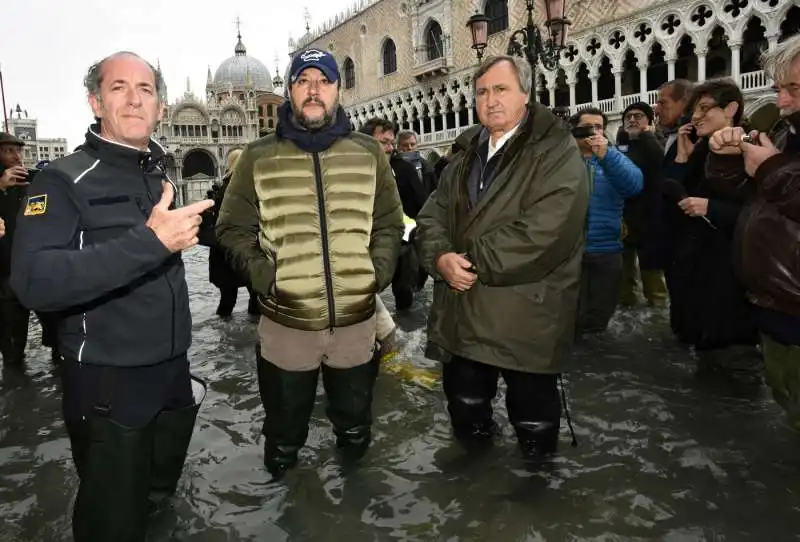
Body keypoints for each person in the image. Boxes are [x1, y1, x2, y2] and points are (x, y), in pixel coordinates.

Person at [9, 51, 212, 542]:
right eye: (119, 87)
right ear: (95, 101)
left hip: (172, 373)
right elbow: (33, 280)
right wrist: (151, 242)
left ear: (161, 107)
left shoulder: (156, 172)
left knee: (160, 499)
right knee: (112, 519)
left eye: (145, 90)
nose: (134, 99)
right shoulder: (62, 180)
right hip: (107, 382)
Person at [216, 48, 403, 479]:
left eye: (324, 80)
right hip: (286, 326)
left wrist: (375, 274)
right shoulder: (258, 156)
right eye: (304, 81)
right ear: (290, 91)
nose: (314, 89)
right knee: (283, 436)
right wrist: (267, 278)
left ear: (338, 89)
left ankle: (354, 511)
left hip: (357, 322)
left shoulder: (369, 153)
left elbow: (390, 224)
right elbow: (231, 228)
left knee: (356, 429)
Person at [416, 55, 589, 461]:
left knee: (533, 420)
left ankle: (534, 502)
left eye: (501, 89)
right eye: (482, 92)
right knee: (465, 406)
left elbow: (548, 231)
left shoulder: (556, 151)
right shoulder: (462, 157)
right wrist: (439, 256)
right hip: (462, 313)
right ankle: (475, 492)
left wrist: (467, 262)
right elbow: (431, 215)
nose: (490, 100)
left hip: (525, 312)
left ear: (526, 94)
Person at [706, 35, 800, 425]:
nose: (781, 101)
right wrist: (731, 160)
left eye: (793, 89)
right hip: (777, 307)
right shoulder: (786, 133)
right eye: (780, 89)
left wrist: (770, 168)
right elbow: (758, 198)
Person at [663, 79, 759, 377]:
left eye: (704, 108)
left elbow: (762, 216)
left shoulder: (751, 150)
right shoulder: (698, 151)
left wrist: (711, 208)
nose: (695, 117)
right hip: (698, 280)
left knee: (734, 377)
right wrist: (681, 158)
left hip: (730, 287)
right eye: (694, 110)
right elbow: (667, 202)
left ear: (731, 109)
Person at [571, 107, 643, 333]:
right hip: (569, 254)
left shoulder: (614, 159)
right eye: (587, 127)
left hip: (606, 251)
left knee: (599, 318)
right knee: (570, 316)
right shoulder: (561, 163)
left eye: (599, 127)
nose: (594, 132)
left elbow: (634, 186)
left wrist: (607, 156)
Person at [616, 102, 668, 308]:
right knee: (624, 279)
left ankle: (657, 317)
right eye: (628, 116)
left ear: (649, 120)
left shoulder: (656, 141)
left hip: (651, 221)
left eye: (638, 116)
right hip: (626, 220)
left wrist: (647, 135)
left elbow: (661, 162)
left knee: (654, 280)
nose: (632, 119)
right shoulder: (620, 146)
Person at [198, 148, 259, 319]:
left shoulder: (221, 184)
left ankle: (224, 336)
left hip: (221, 248)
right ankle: (252, 334)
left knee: (227, 297)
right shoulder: (243, 185)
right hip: (240, 247)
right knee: (255, 294)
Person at [0, 132, 32, 366]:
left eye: (18, 150)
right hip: (5, 271)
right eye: (7, 151)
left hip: (34, 267)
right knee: (12, 336)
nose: (15, 156)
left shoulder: (30, 182)